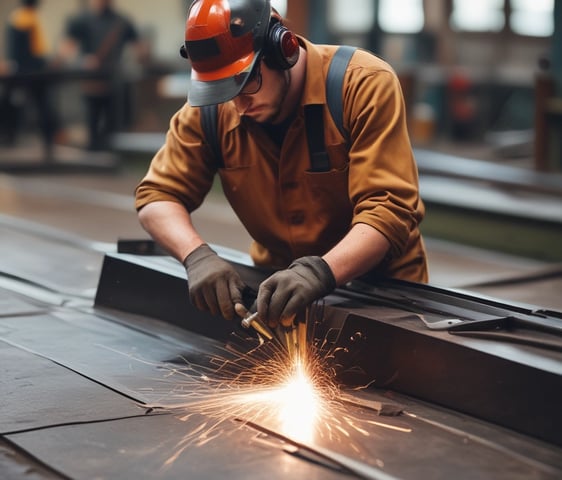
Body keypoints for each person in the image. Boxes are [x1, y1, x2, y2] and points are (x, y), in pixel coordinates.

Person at [135, 0, 428, 329]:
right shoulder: (215, 110)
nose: (239, 106)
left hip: (384, 294)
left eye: (247, 85)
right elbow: (157, 196)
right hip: (275, 294)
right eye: (223, 91)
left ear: (281, 48)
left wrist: (320, 271)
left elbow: (388, 211)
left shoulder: (362, 84)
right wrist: (196, 256)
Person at [58, 0, 147, 151]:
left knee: (113, 126)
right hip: (90, 81)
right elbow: (66, 50)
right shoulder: (81, 20)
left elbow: (140, 49)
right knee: (92, 122)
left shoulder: (121, 21)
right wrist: (82, 61)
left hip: (113, 81)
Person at [4, 0, 61, 159]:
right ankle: (15, 139)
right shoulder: (25, 20)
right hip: (30, 72)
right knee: (32, 106)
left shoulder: (23, 18)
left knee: (36, 107)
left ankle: (43, 141)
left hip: (26, 72)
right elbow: (30, 52)